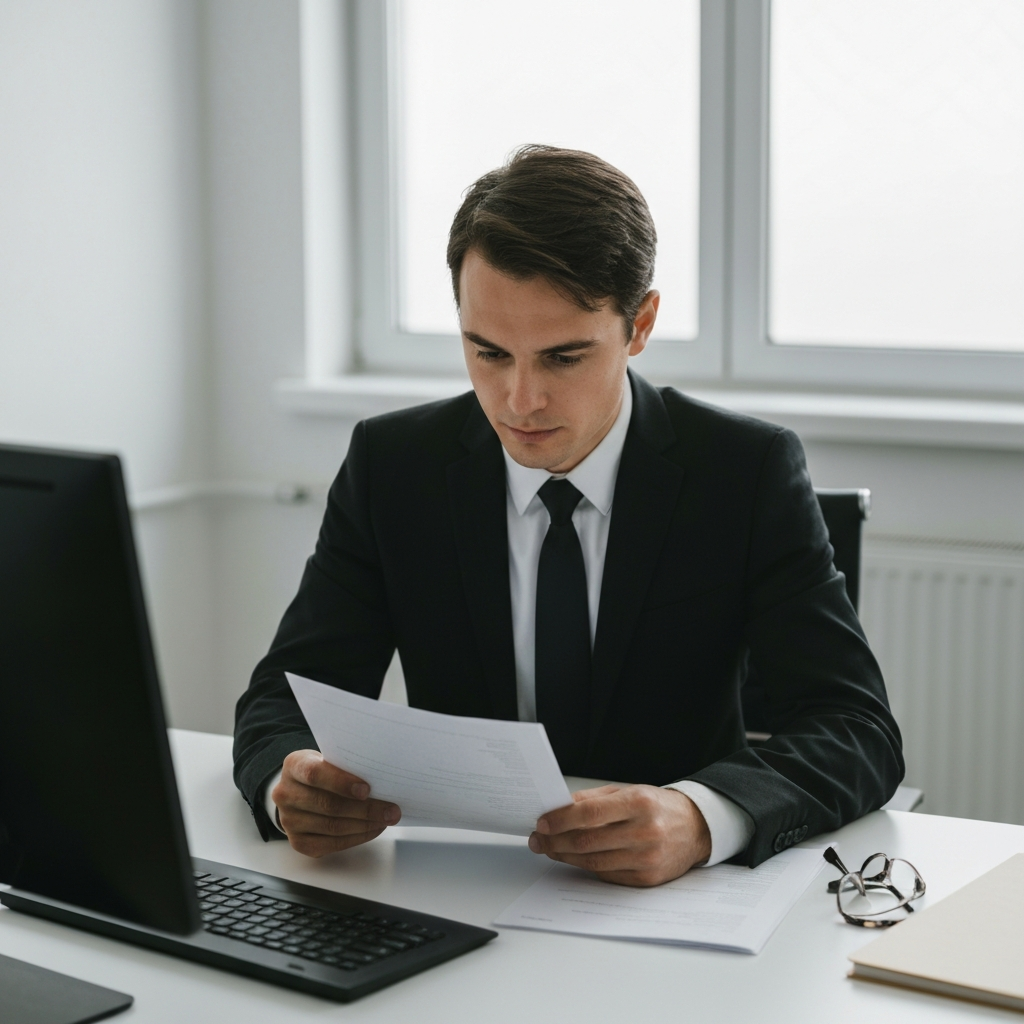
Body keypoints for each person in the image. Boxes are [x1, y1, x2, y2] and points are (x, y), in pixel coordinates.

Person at [233, 145, 903, 887]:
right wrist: (289, 782)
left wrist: (702, 816)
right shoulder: (394, 466)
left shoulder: (743, 473)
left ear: (639, 325)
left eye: (562, 358)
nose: (519, 401)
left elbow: (856, 729)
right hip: (459, 888)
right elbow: (283, 697)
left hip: (672, 903)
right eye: (487, 352)